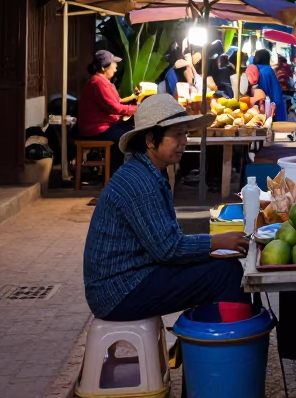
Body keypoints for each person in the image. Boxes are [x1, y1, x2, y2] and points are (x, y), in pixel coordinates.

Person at [83, 94, 249, 321]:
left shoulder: (148, 171)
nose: (185, 141)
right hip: (118, 291)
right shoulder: (139, 181)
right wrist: (217, 241)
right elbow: (168, 249)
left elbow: (166, 240)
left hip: (133, 276)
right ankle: (224, 349)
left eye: (186, 134)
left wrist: (212, 248)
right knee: (226, 274)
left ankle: (210, 340)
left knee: (221, 265)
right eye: (177, 135)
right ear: (151, 140)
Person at [78, 50, 138, 170]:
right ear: (104, 67)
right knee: (132, 136)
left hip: (103, 125)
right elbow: (114, 107)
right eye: (113, 65)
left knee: (129, 132)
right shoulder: (97, 83)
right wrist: (138, 109)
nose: (116, 69)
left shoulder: (101, 81)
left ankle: (115, 172)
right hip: (96, 129)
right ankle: (119, 174)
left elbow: (117, 101)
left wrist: (134, 98)